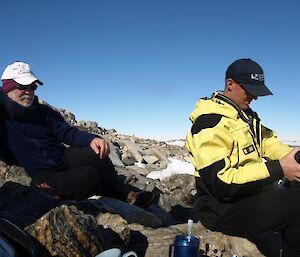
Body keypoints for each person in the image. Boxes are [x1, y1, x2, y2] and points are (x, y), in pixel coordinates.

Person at [185, 58, 300, 257]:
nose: (254, 96)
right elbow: (221, 183)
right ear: (230, 84)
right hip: (222, 211)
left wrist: (294, 157)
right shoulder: (210, 122)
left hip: (250, 197)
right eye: (249, 89)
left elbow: (268, 141)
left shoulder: (244, 115)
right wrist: (279, 168)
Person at [0, 61, 155, 208]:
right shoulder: (3, 114)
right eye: (23, 86)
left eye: (32, 86)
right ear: (8, 87)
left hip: (62, 157)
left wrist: (92, 139)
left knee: (95, 154)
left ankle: (125, 192)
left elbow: (68, 132)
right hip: (41, 173)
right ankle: (61, 194)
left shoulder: (43, 112)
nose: (29, 91)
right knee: (89, 176)